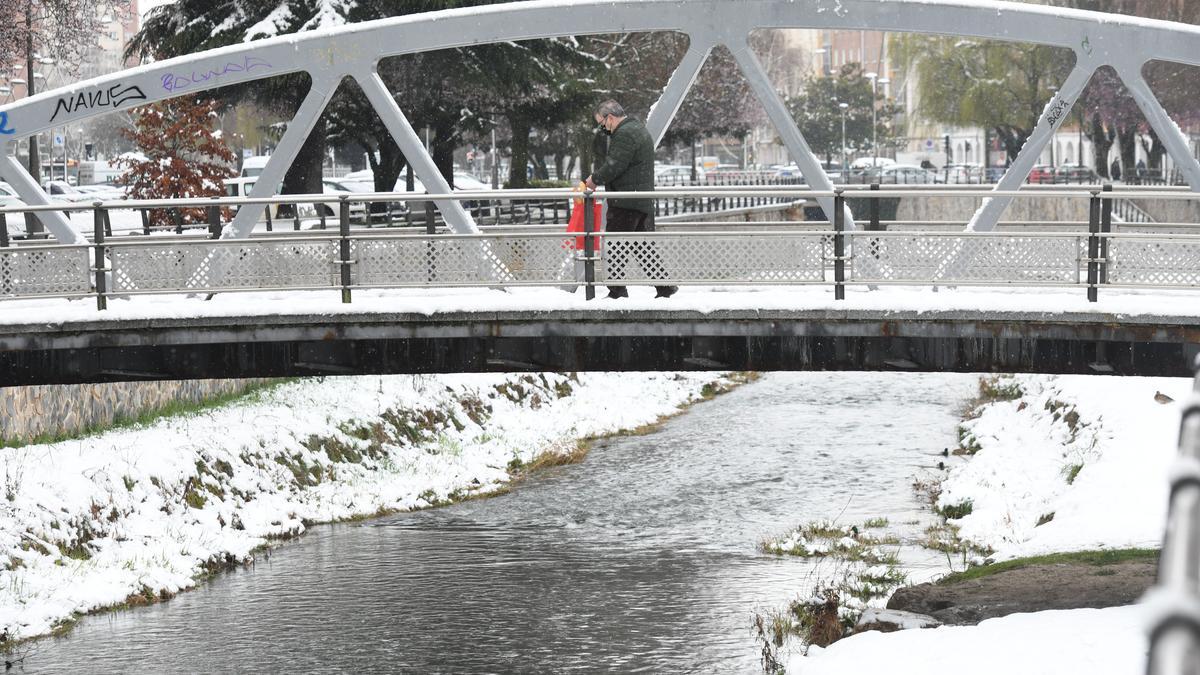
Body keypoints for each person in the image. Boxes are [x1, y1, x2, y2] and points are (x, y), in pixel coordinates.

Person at [584, 100, 677, 299]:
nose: (602, 129)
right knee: (642, 247)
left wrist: (594, 179)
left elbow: (614, 165)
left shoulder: (624, 134)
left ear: (610, 118)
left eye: (602, 123)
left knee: (616, 246)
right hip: (640, 199)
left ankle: (617, 292)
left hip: (626, 201)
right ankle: (664, 287)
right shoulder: (637, 129)